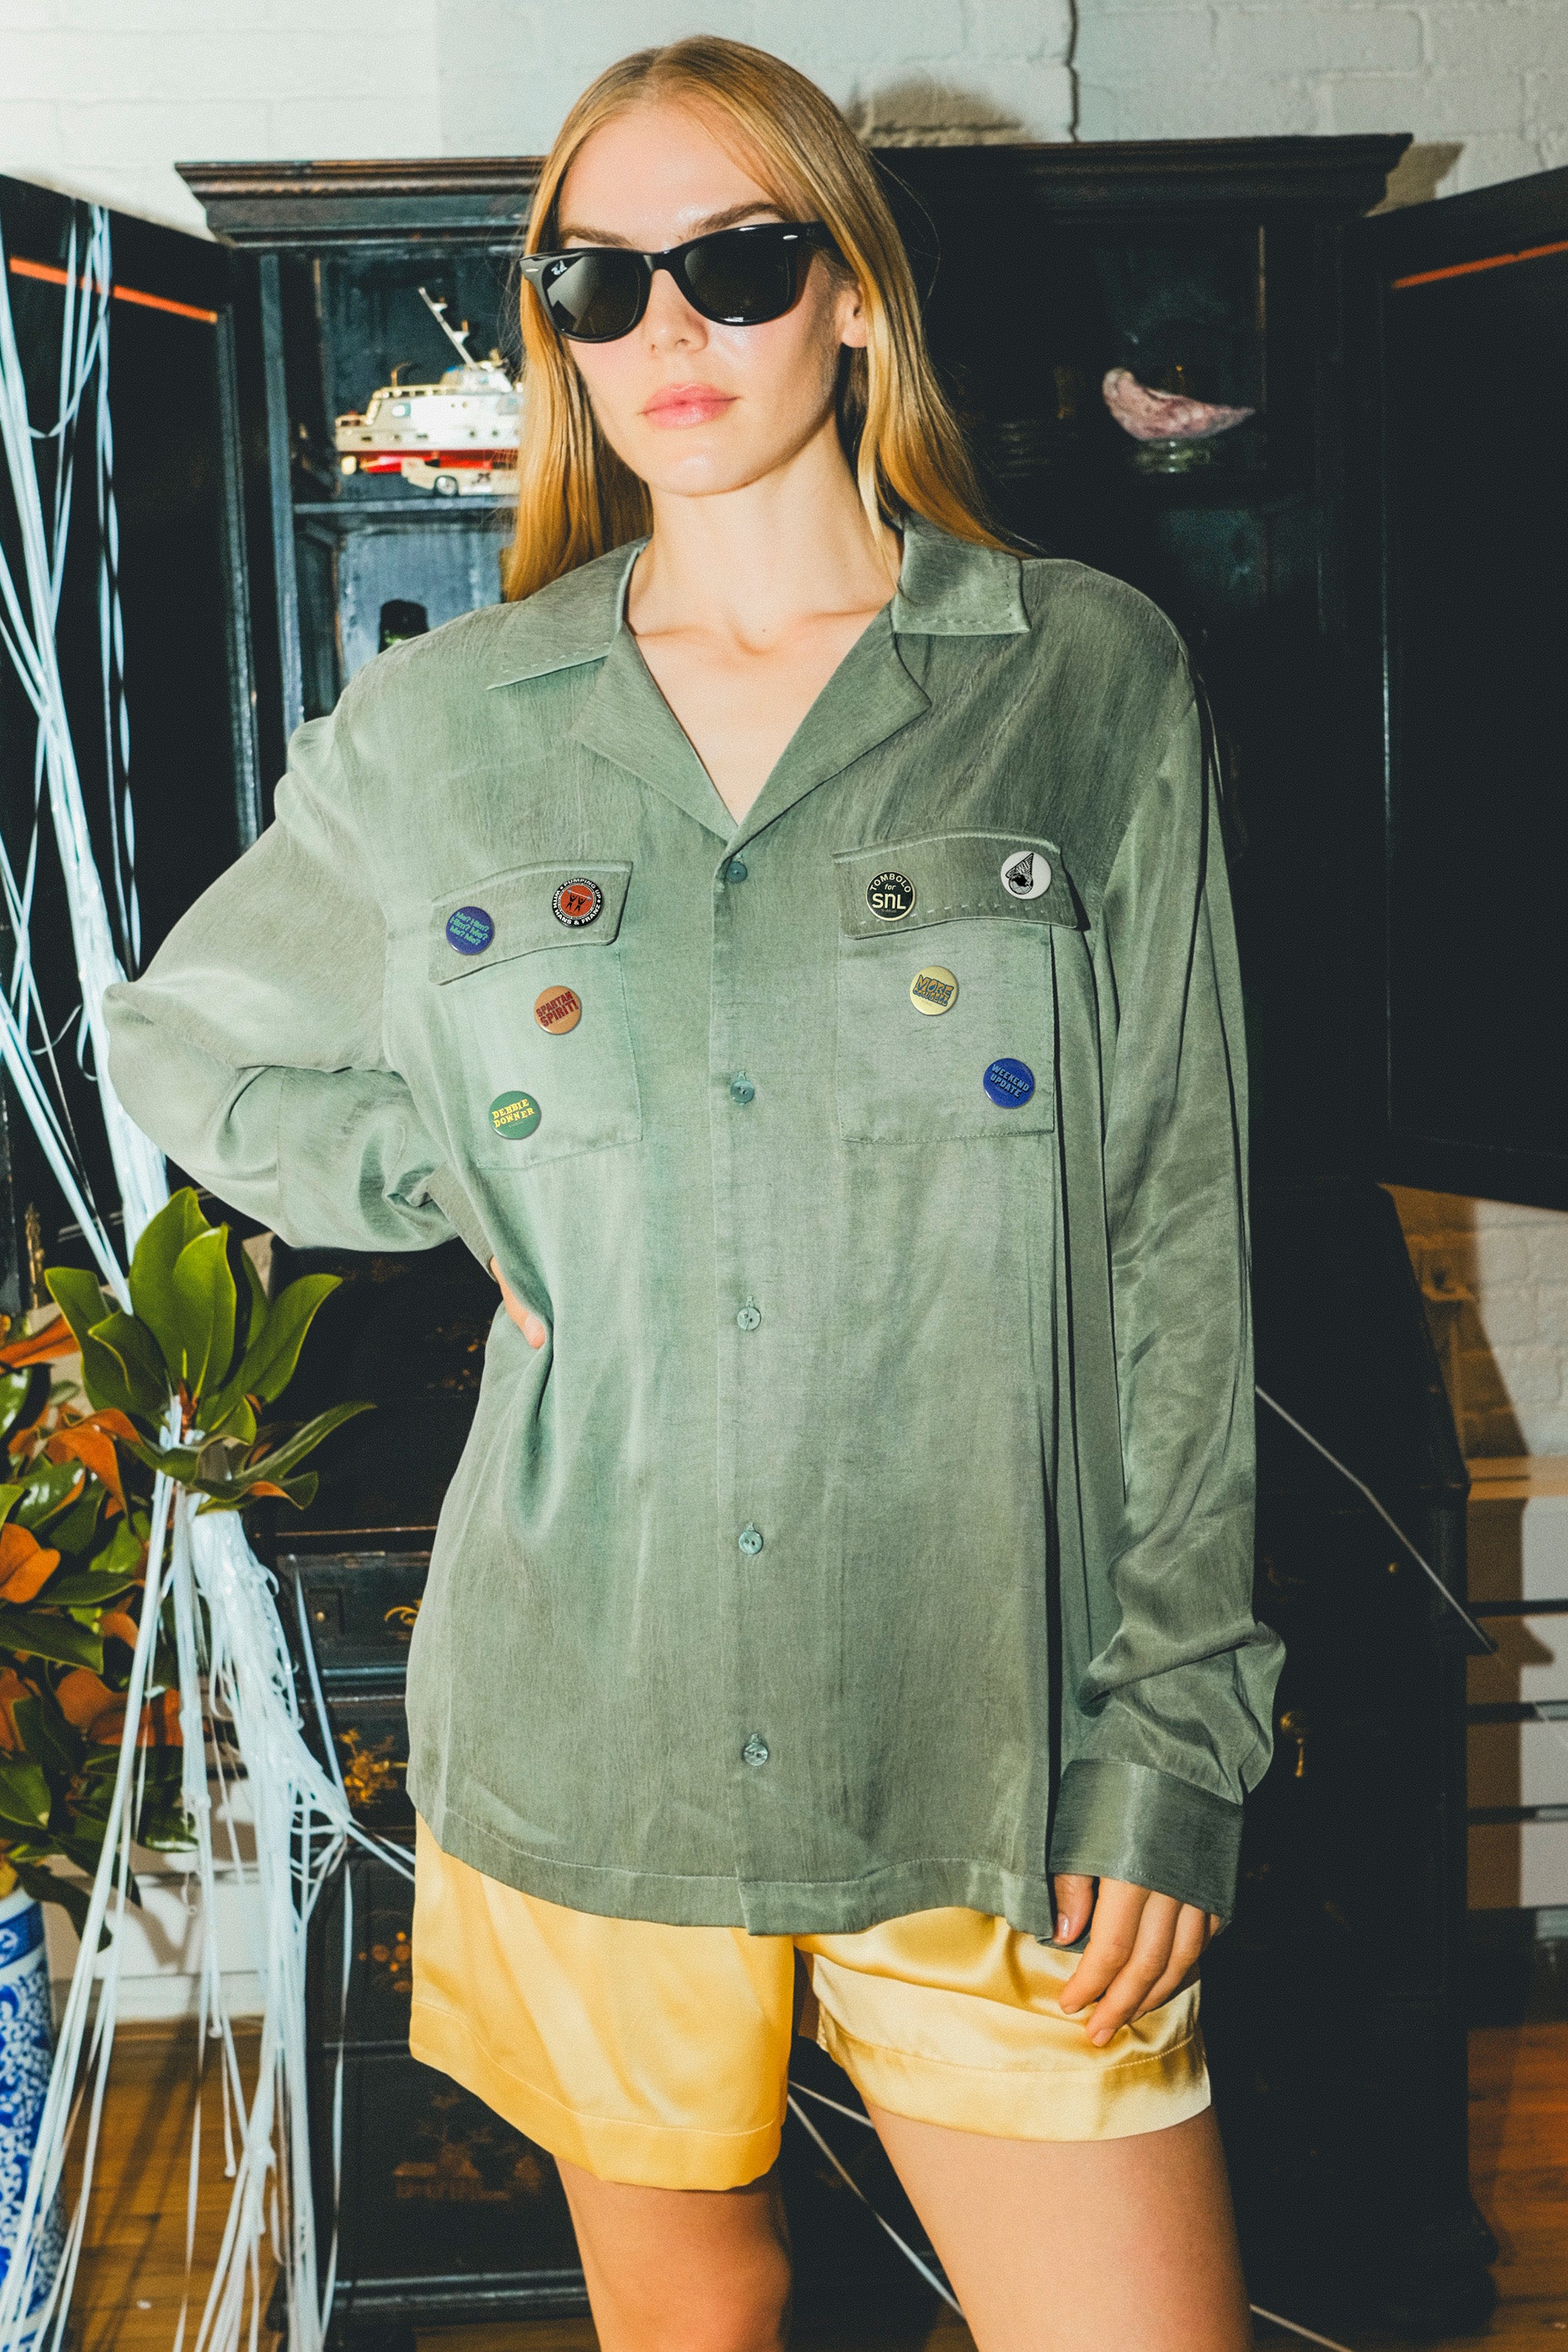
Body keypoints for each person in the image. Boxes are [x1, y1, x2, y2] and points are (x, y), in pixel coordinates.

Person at [105, 35, 1283, 2352]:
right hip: (593, 1719)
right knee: (694, 2318)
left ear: (852, 294)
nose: (665, 330)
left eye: (735, 264)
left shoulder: (1076, 682)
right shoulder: (450, 730)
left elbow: (1174, 1234)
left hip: (1000, 1727)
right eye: (594, 278)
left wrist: (1175, 1729)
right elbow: (186, 1039)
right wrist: (459, 1171)